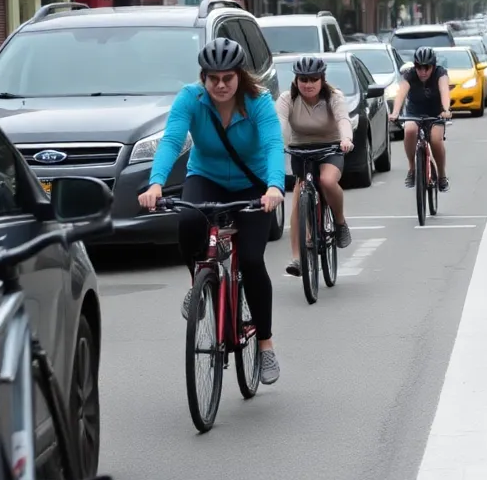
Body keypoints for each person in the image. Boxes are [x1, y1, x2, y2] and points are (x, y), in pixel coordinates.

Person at [138, 38, 286, 385]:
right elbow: (172, 141)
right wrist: (156, 183)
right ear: (203, 78)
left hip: (255, 184)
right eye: (213, 78)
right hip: (206, 176)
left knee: (250, 260)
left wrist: (275, 187)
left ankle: (265, 343)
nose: (220, 85)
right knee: (188, 221)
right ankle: (201, 284)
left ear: (239, 76)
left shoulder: (258, 101)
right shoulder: (190, 98)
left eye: (227, 78)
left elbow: (272, 145)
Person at [276, 55, 355, 277]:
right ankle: (298, 259)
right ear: (296, 80)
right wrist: (275, 144)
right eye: (303, 80)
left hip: (330, 148)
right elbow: (279, 123)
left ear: (322, 79)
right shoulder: (287, 98)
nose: (308, 85)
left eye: (313, 79)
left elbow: (343, 120)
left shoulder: (334, 97)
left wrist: (346, 139)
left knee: (327, 181)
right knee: (299, 195)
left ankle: (339, 223)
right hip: (300, 149)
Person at [388, 45, 452, 191]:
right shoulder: (410, 74)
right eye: (419, 67)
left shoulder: (440, 73)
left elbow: (444, 91)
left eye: (426, 68)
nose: (422, 72)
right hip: (414, 112)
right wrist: (395, 112)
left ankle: (442, 175)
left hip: (436, 113)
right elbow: (401, 94)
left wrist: (446, 110)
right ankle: (412, 168)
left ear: (433, 66)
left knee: (435, 140)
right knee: (410, 131)